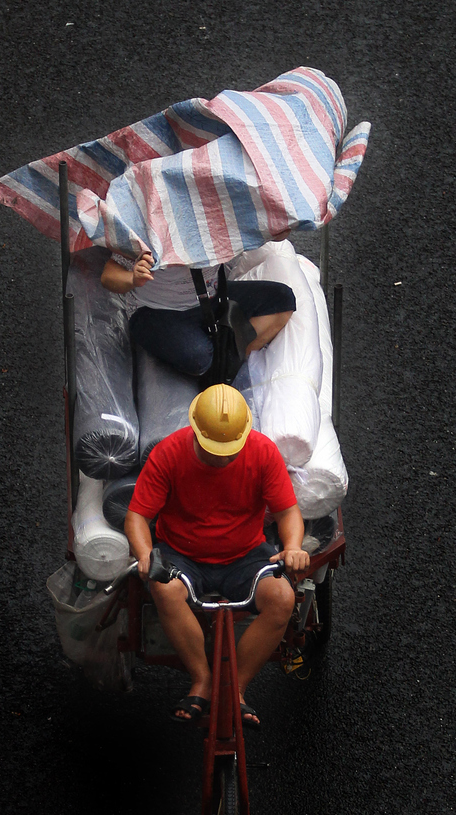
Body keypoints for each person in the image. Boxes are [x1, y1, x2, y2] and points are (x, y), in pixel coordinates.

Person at [124, 383, 310, 726]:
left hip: (246, 554)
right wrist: (146, 554)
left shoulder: (263, 452)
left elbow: (287, 512)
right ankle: (202, 679)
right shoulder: (168, 453)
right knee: (164, 589)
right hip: (182, 553)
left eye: (230, 450)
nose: (223, 458)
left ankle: (235, 688)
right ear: (196, 431)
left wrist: (293, 546)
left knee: (283, 598)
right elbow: (137, 515)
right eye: (215, 450)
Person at [100, 245, 296, 377]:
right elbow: (108, 276)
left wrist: (275, 226)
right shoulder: (148, 226)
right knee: (198, 357)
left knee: (282, 299)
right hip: (157, 310)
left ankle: (230, 365)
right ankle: (217, 368)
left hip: (212, 296)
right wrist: (133, 278)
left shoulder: (217, 211)